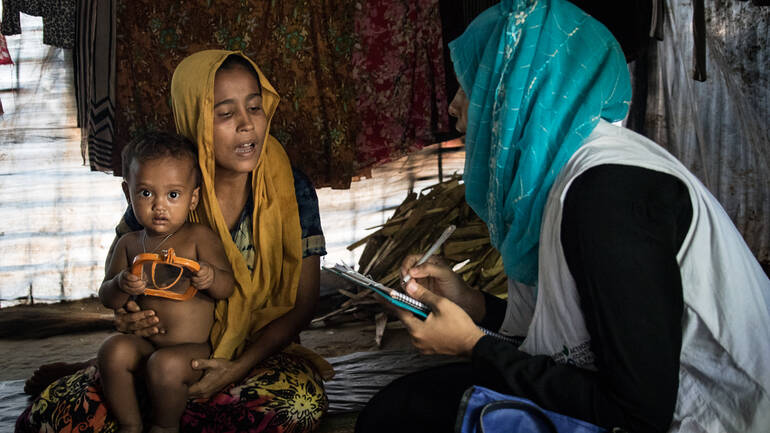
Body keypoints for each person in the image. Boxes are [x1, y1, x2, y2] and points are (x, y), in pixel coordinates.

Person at [355, 1, 770, 433]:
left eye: (470, 83)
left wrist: (474, 346)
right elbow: (577, 335)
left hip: (717, 420)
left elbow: (638, 413)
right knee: (404, 405)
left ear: (515, 93)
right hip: (643, 403)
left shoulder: (606, 198)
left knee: (405, 417)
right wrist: (472, 305)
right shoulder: (565, 176)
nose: (455, 108)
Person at [17, 50, 334, 433]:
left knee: (297, 407)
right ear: (195, 118)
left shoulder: (290, 188)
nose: (247, 126)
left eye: (255, 107)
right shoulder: (165, 185)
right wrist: (131, 315)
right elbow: (122, 280)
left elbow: (302, 305)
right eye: (225, 113)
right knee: (53, 414)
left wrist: (235, 367)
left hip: (257, 352)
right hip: (161, 353)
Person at [98, 131, 235, 433]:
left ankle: (164, 426)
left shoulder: (199, 237)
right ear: (127, 193)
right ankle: (130, 424)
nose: (159, 206)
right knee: (112, 350)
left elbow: (228, 287)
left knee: (165, 366)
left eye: (173, 195)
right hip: (144, 344)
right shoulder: (129, 244)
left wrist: (209, 276)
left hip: (190, 350)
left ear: (193, 197)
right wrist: (122, 283)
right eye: (146, 193)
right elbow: (107, 297)